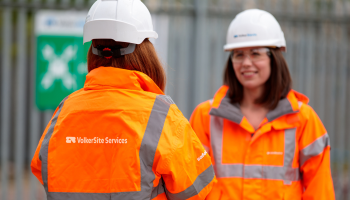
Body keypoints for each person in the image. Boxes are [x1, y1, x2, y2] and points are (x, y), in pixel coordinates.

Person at [31, 0, 215, 199]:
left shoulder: (65, 110)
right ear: (145, 52)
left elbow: (42, 168)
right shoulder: (162, 116)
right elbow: (198, 191)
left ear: (92, 51)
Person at [190, 9, 335, 200]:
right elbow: (192, 188)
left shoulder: (303, 120)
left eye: (256, 53)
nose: (246, 63)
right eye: (238, 54)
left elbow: (320, 192)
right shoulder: (206, 117)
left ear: (273, 58)